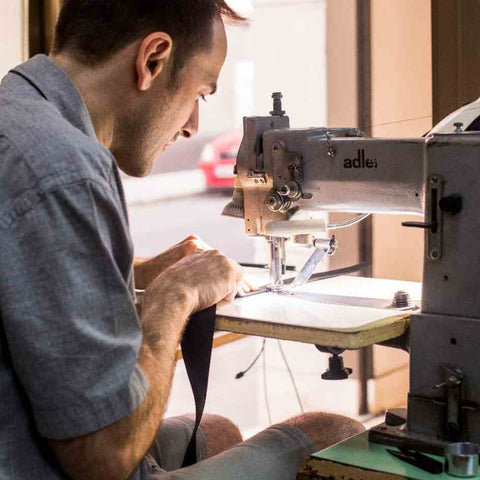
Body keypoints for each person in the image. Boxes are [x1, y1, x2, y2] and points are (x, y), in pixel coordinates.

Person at [0, 1, 364, 478]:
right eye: (201, 92)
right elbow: (104, 456)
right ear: (153, 59)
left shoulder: (16, 115)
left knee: (216, 431)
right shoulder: (68, 169)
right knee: (336, 434)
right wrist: (175, 294)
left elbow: (25, 275)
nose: (192, 123)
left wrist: (132, 272)